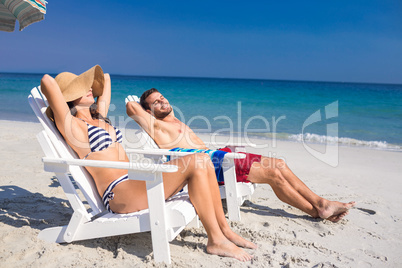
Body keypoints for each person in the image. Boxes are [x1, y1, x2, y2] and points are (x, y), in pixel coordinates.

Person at [40, 66, 256, 262]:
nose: (88, 89)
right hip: (119, 194)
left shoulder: (100, 117)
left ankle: (224, 231)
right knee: (196, 161)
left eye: (87, 87)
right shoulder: (72, 126)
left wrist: (89, 84)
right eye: (80, 88)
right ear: (68, 97)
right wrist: (72, 87)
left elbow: (105, 78)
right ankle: (215, 240)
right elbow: (47, 82)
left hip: (133, 183)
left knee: (203, 161)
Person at [126, 88, 356, 223]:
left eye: (163, 97)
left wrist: (159, 102)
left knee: (279, 165)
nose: (162, 101)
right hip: (207, 165)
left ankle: (319, 207)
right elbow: (132, 109)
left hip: (216, 156)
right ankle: (319, 207)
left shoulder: (173, 118)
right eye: (155, 102)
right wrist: (139, 104)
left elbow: (165, 106)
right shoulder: (154, 124)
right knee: (273, 174)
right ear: (148, 110)